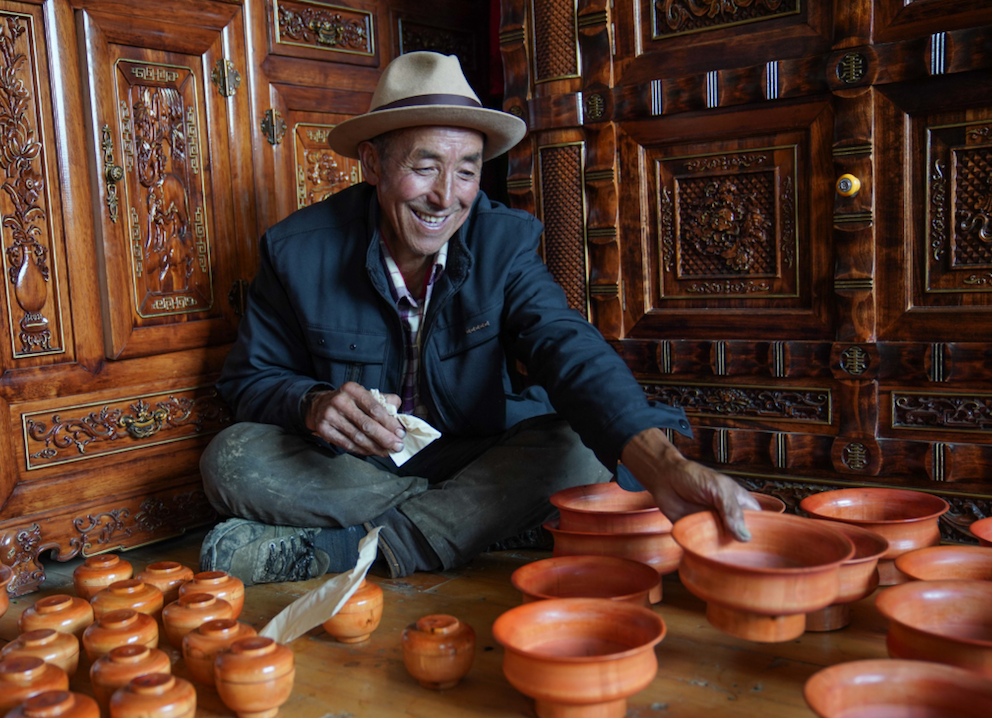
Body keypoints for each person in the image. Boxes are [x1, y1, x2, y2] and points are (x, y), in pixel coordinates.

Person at [198, 51, 759, 585]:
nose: (446, 197)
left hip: (477, 449)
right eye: (425, 167)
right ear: (372, 163)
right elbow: (250, 380)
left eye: (466, 172)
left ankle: (354, 548)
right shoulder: (297, 250)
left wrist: (662, 465)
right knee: (231, 458)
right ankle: (479, 522)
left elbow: (567, 345)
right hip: (356, 467)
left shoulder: (503, 243)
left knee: (579, 449)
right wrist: (313, 404)